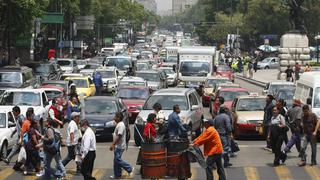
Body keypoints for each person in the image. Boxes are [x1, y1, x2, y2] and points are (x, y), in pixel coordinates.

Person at [109, 112, 133, 179]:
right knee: (116, 161)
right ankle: (117, 175)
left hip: (119, 146)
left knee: (117, 160)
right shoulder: (119, 124)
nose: (114, 118)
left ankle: (129, 168)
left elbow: (119, 136)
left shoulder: (121, 125)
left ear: (118, 118)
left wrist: (113, 144)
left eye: (115, 116)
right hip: (118, 146)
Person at [22, 110, 42, 176]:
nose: (38, 124)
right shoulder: (32, 130)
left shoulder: (31, 129)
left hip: (28, 146)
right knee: (37, 159)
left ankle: (25, 170)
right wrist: (38, 146)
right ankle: (39, 171)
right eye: (37, 123)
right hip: (31, 147)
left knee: (29, 159)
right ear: (35, 124)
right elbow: (34, 139)